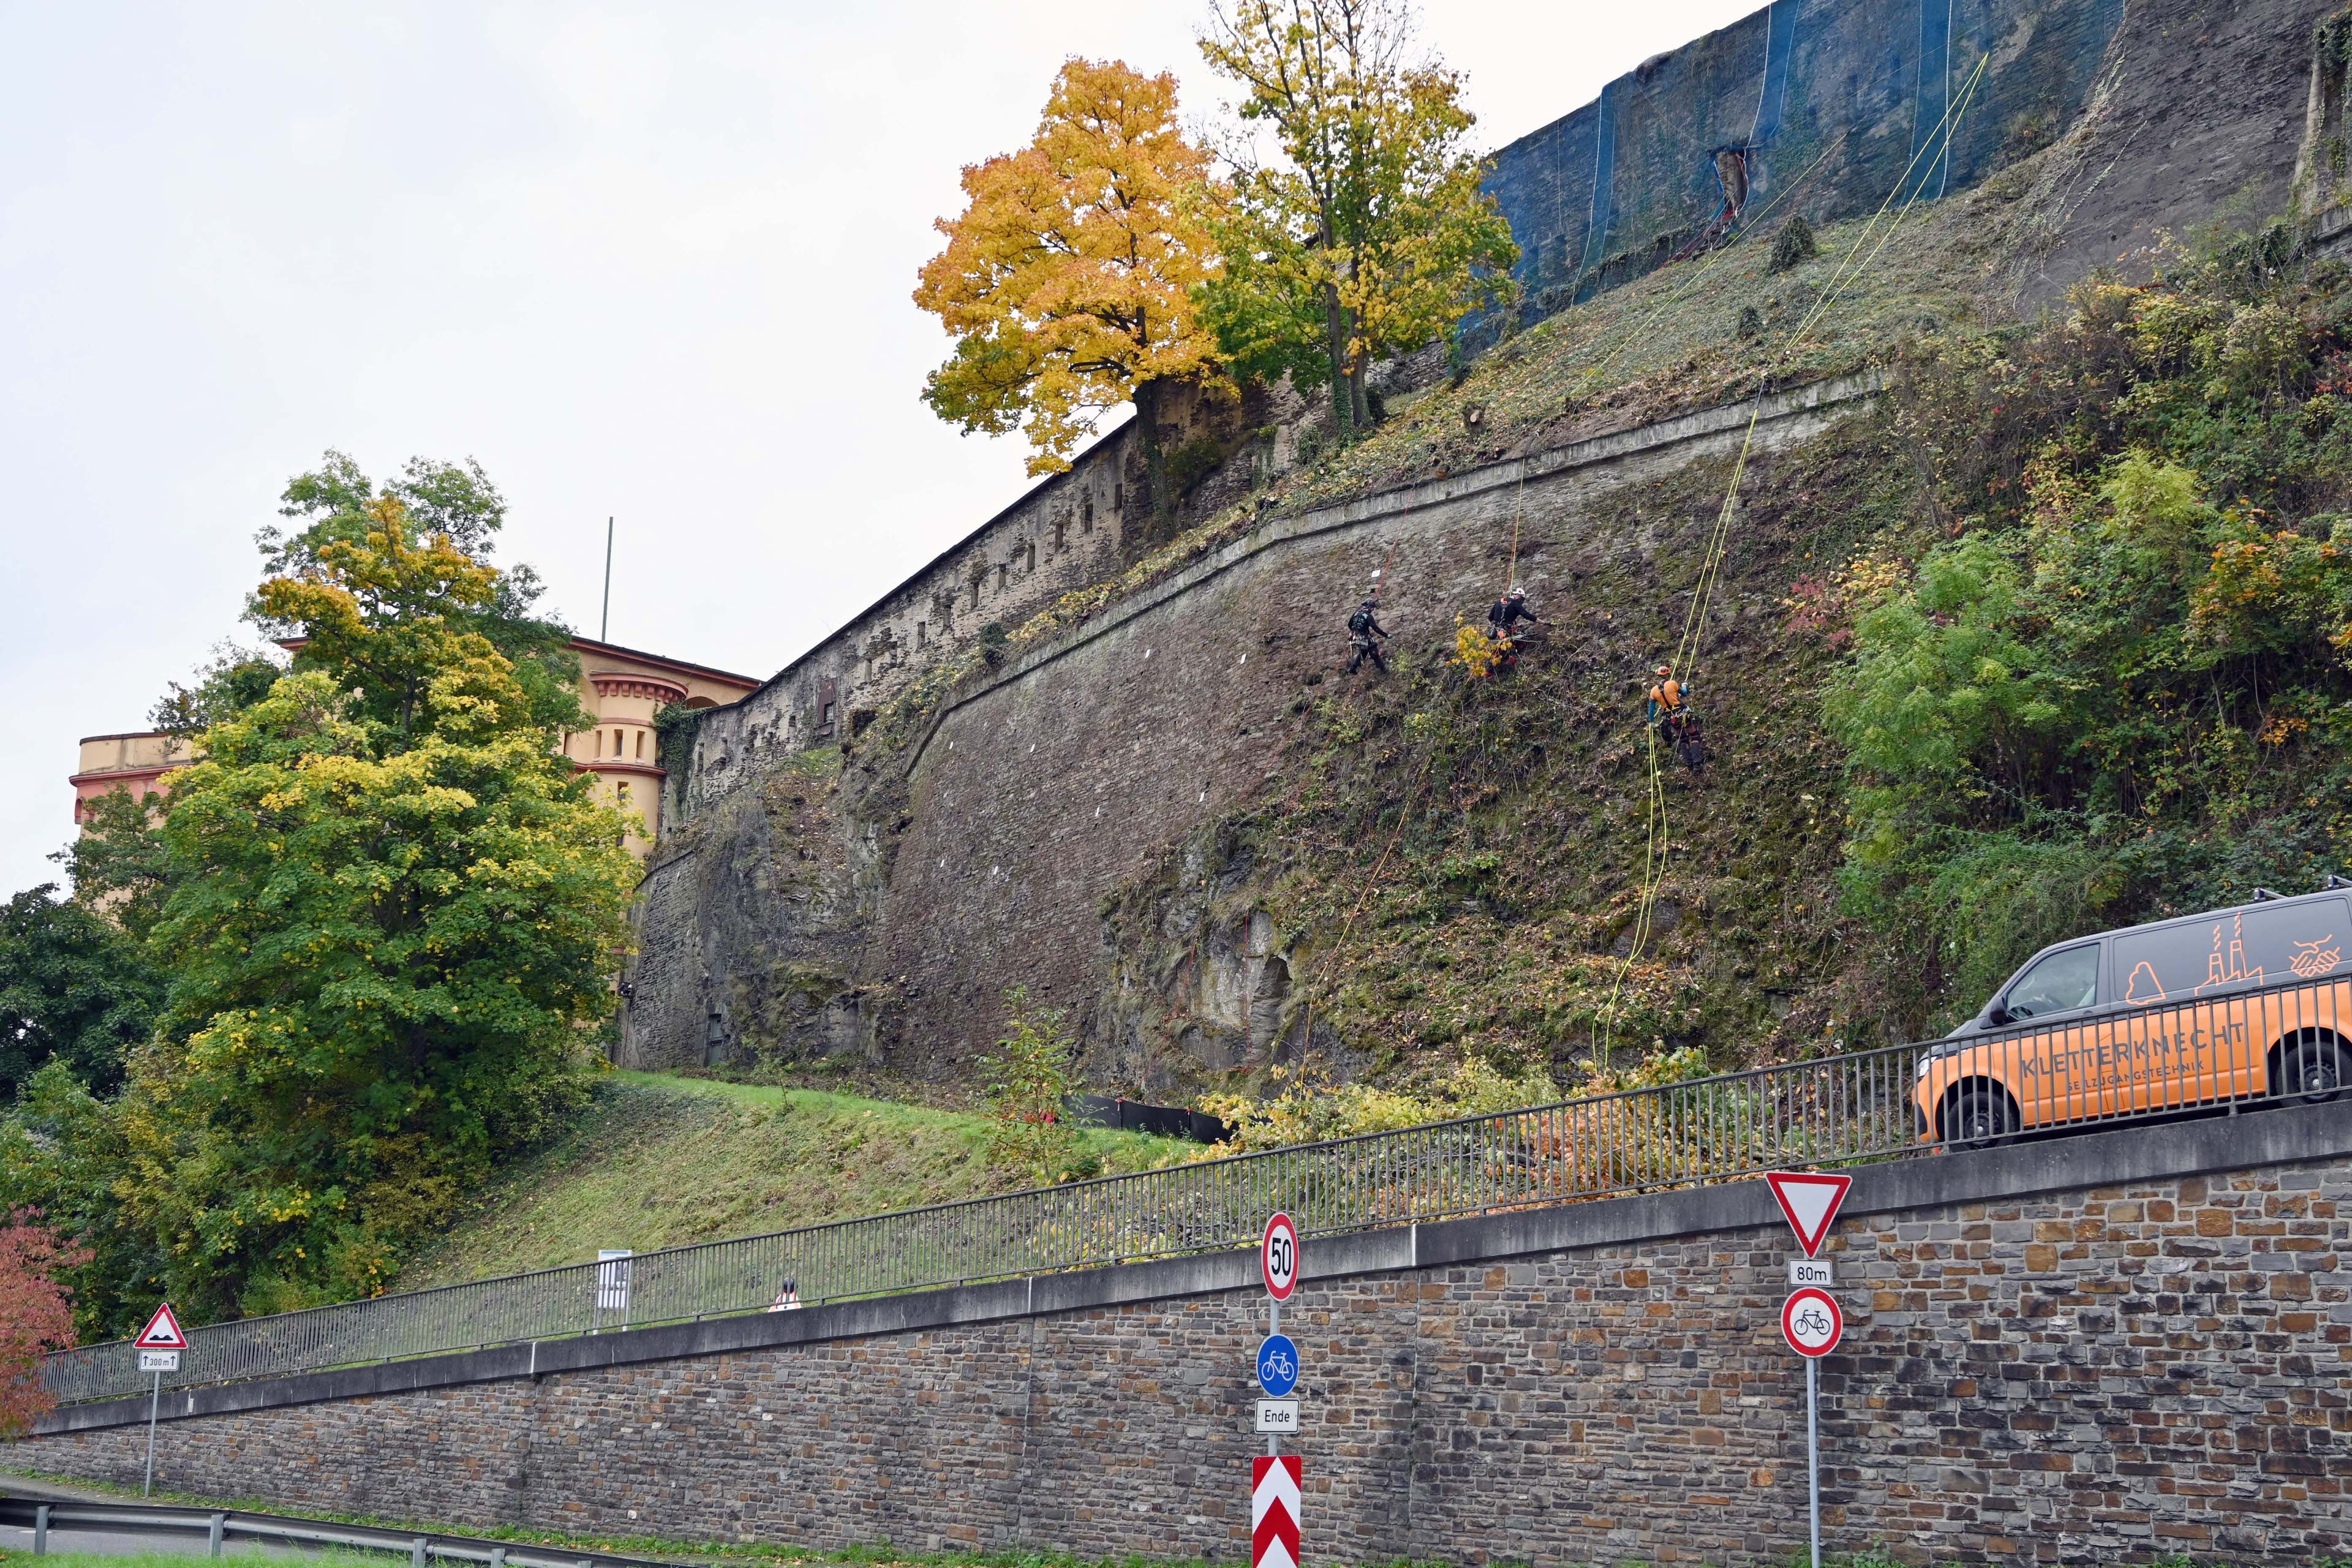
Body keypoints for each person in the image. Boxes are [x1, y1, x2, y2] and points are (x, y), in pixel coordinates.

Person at [1487, 588, 1539, 673]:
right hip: (1507, 632)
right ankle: (1513, 660)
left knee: (1495, 652)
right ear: (1518, 596)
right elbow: (1527, 615)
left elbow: (1490, 618)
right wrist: (1543, 622)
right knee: (1519, 636)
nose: (1521, 601)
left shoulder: (1498, 602)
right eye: (1521, 599)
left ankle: (1489, 672)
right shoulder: (1515, 604)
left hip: (1495, 632)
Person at [1346, 597, 1390, 674]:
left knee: (1364, 652)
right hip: (1364, 637)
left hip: (1355, 637)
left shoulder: (1356, 614)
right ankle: (1383, 669)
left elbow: (1349, 625)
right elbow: (1375, 628)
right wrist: (1386, 635)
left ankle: (1353, 668)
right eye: (1372, 608)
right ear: (1369, 606)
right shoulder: (1368, 616)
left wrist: (1356, 630)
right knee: (1373, 650)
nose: (1372, 610)